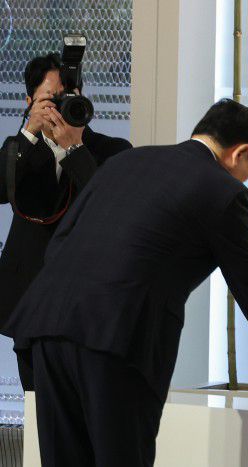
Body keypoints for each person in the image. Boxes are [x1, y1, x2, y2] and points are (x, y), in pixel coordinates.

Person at [2, 99, 248, 466]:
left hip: (46, 326)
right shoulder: (224, 191)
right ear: (240, 152)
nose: (243, 180)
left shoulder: (127, 162)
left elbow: (63, 240)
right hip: (116, 339)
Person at [0, 53, 132, 390]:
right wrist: (28, 133)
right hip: (29, 299)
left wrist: (74, 149)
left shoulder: (112, 150)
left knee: (86, 407)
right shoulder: (18, 150)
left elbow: (113, 207)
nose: (60, 107)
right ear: (29, 103)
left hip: (87, 306)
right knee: (35, 406)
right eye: (51, 99)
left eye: (68, 98)